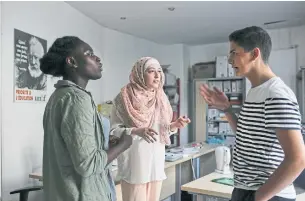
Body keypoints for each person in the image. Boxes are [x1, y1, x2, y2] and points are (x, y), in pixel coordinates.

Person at [199, 26, 305, 201]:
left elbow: (298, 158)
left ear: (255, 54)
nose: (230, 60)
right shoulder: (256, 91)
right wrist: (226, 109)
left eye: (234, 53)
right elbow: (246, 135)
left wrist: (261, 196)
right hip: (246, 189)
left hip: (267, 193)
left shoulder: (276, 94)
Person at [40, 36, 132, 201]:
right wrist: (123, 145)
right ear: (72, 62)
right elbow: (88, 165)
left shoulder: (59, 96)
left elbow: (71, 146)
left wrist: (102, 142)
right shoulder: (77, 99)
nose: (97, 58)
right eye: (89, 54)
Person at [110, 57, 191, 201]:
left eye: (159, 71)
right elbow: (113, 131)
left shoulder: (161, 98)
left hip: (156, 164)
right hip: (135, 165)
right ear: (139, 74)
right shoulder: (124, 98)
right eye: (151, 71)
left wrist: (174, 126)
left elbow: (161, 130)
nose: (157, 75)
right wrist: (135, 131)